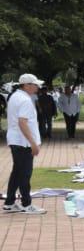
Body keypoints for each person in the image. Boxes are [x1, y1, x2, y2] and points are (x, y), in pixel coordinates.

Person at [5, 74, 45, 215]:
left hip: (16, 140)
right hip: (23, 143)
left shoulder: (15, 96)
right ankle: (26, 204)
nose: (37, 87)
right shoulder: (25, 100)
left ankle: (9, 202)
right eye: (35, 85)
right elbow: (23, 122)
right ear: (27, 85)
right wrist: (33, 143)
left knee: (17, 172)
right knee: (24, 174)